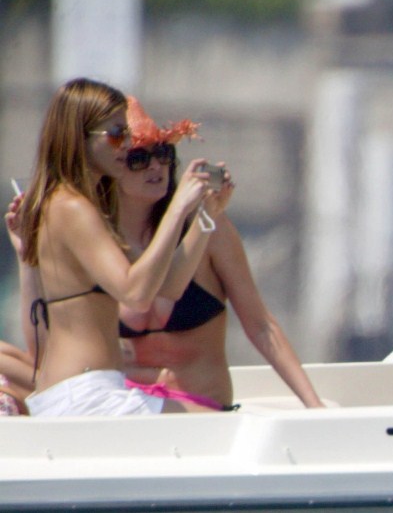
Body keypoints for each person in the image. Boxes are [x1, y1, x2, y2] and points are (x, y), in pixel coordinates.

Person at [13, 77, 232, 416]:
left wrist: (204, 215)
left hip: (89, 391)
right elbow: (136, 294)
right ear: (79, 137)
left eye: (127, 134)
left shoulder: (78, 205)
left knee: (211, 426)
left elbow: (167, 286)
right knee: (214, 428)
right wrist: (178, 208)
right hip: (85, 393)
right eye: (116, 134)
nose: (127, 145)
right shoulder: (72, 207)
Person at [118, 96, 326, 409]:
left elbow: (260, 325)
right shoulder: (101, 240)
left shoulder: (206, 226)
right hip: (128, 402)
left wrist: (314, 405)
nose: (156, 166)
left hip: (197, 404)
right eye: (139, 158)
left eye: (163, 154)